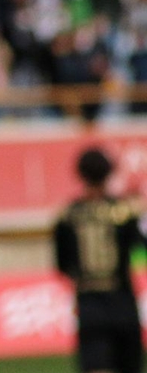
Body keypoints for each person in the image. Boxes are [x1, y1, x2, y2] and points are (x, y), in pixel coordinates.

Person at [53, 147, 145, 373]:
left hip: (89, 304)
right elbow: (141, 248)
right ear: (109, 174)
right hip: (123, 302)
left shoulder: (68, 216)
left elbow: (62, 265)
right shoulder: (124, 212)